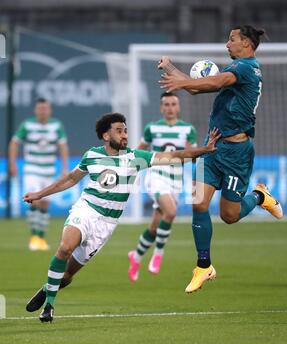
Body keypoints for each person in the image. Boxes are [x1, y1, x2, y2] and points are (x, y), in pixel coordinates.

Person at [23, 112, 219, 322]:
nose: (125, 135)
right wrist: (39, 194)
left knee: (68, 275)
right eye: (119, 131)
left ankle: (47, 288)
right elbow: (70, 180)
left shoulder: (136, 158)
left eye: (126, 130)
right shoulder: (92, 155)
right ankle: (49, 306)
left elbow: (174, 157)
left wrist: (204, 150)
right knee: (65, 248)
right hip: (86, 210)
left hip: (106, 224)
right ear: (106, 136)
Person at [158, 25, 283, 294]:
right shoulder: (234, 69)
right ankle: (204, 266)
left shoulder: (247, 68)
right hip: (212, 147)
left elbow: (213, 82)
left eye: (232, 39)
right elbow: (196, 89)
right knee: (198, 202)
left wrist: (179, 82)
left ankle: (260, 196)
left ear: (247, 44)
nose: (227, 44)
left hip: (237, 153)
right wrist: (170, 69)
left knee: (229, 215)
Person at [128, 92, 197, 282]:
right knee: (172, 212)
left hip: (176, 180)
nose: (170, 108)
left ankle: (136, 257)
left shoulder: (188, 130)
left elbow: (192, 156)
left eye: (173, 104)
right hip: (155, 176)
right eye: (166, 104)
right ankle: (158, 253)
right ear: (161, 107)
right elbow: (138, 152)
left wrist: (189, 153)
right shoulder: (152, 128)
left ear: (178, 107)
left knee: (154, 227)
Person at [8, 98, 69, 251]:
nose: (42, 111)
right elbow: (14, 142)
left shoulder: (56, 125)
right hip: (32, 170)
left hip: (49, 170)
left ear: (49, 110)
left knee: (45, 203)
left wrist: (64, 167)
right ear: (36, 110)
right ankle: (34, 237)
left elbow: (63, 146)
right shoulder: (27, 125)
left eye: (45, 109)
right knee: (34, 199)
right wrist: (12, 163)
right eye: (40, 109)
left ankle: (40, 237)